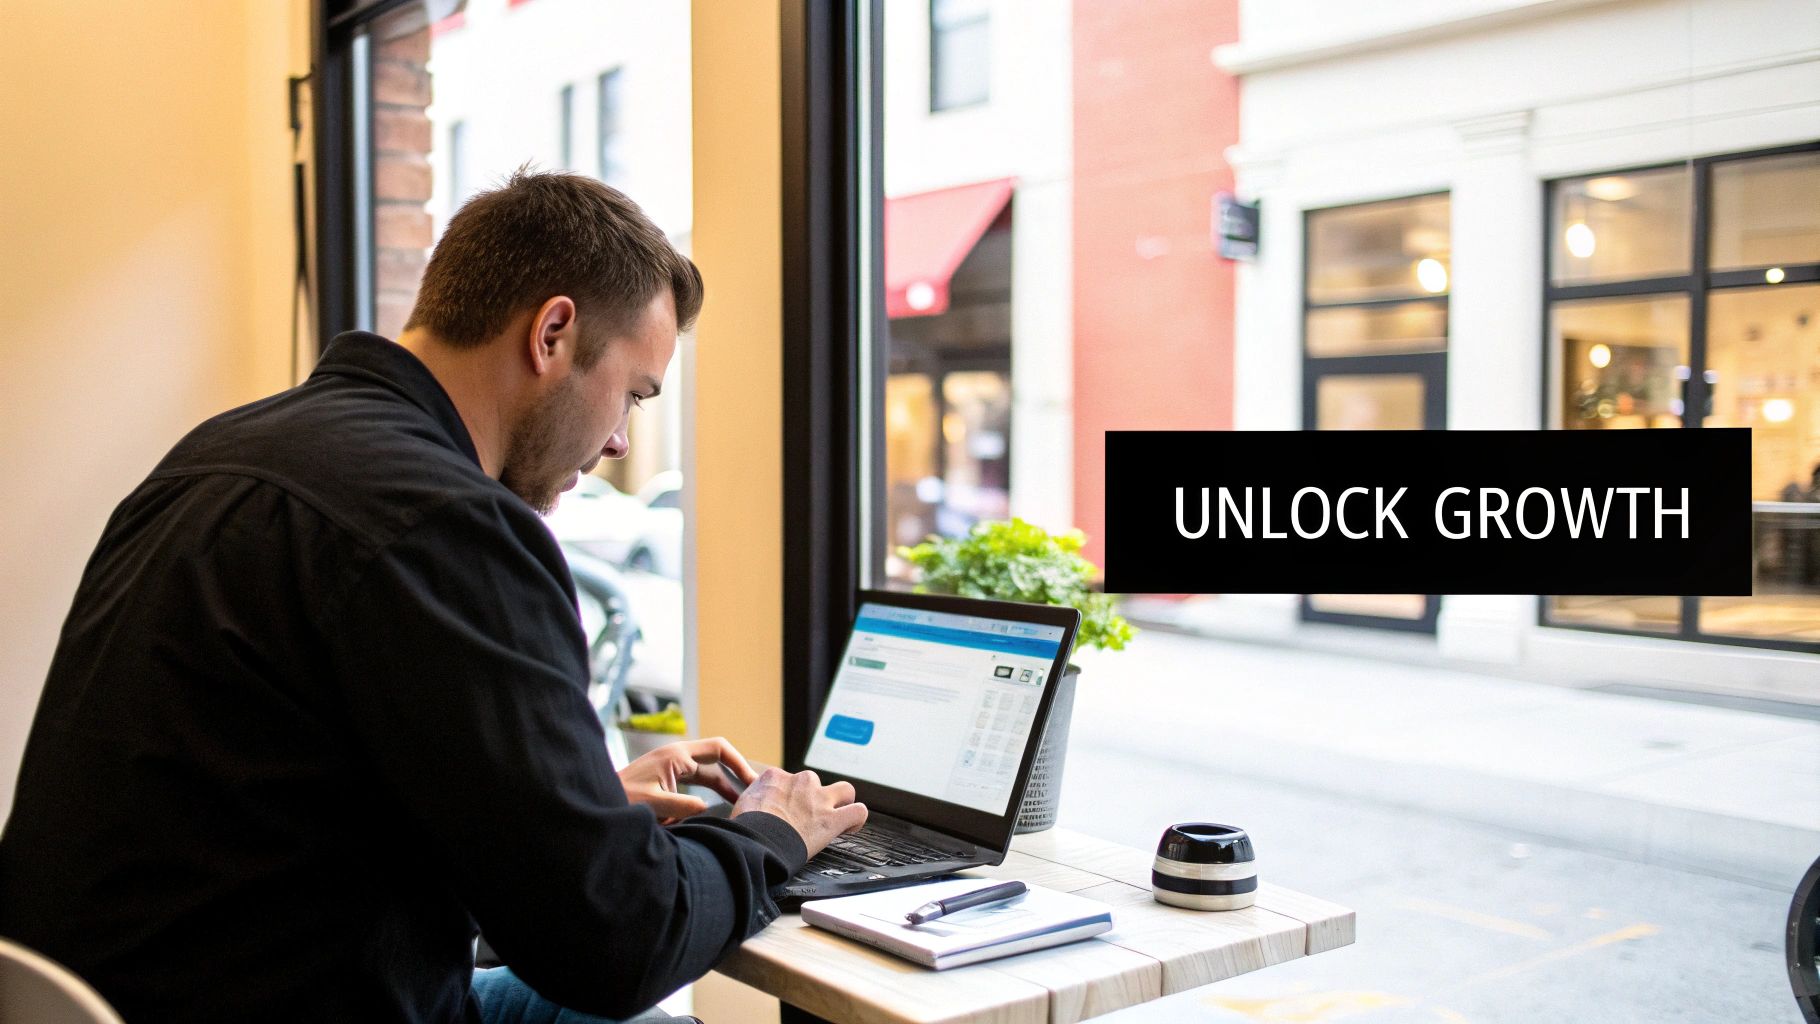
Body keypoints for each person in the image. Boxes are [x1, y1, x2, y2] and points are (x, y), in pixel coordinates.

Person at [0, 170, 867, 1023]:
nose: (617, 442)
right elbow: (616, 946)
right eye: (633, 396)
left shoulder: (220, 454)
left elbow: (290, 800)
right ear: (553, 333)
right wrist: (767, 837)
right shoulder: (446, 521)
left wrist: (574, 807)